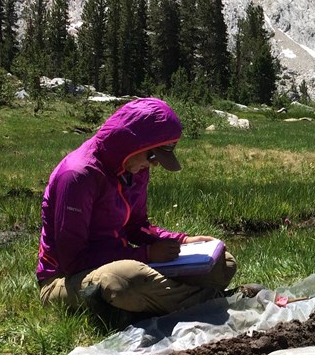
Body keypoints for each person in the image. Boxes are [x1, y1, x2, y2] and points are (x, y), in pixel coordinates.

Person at [37, 97, 236, 320]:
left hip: (122, 262)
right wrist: (145, 255)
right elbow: (72, 259)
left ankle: (143, 306)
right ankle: (216, 303)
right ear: (131, 143)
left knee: (223, 262)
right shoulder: (78, 175)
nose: (154, 164)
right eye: (152, 155)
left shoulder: (135, 169)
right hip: (65, 279)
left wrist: (182, 241)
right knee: (124, 278)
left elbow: (137, 227)